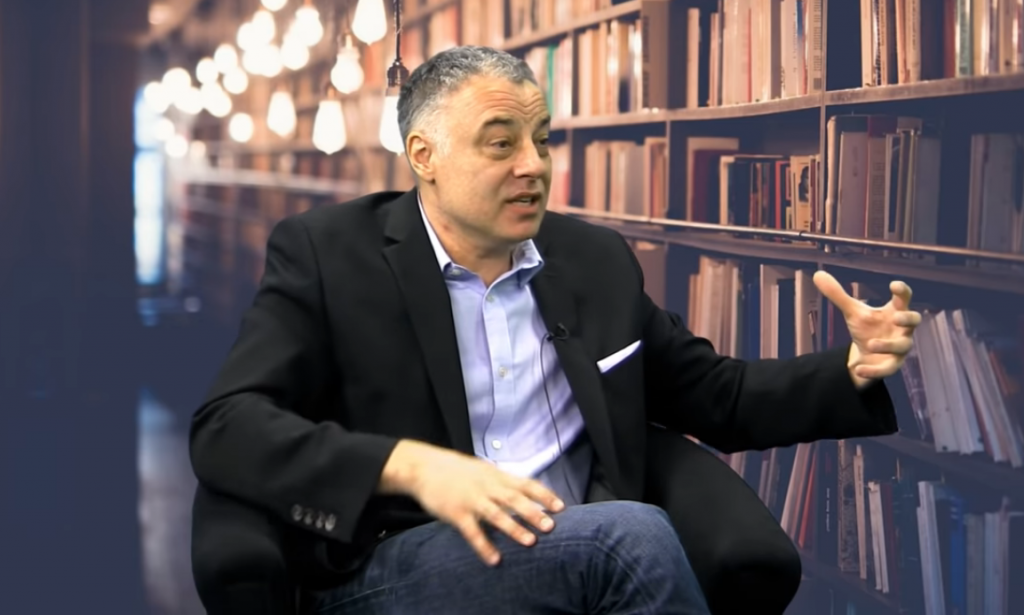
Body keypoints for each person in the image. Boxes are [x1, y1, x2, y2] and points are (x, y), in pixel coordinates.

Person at [189, 45, 921, 614]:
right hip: (403, 559)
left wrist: (850, 367)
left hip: (582, 538)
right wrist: (411, 467)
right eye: (500, 143)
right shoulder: (328, 254)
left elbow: (715, 395)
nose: (533, 166)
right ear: (424, 157)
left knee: (620, 537)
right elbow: (227, 426)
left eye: (542, 140)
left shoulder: (591, 259)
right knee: (630, 536)